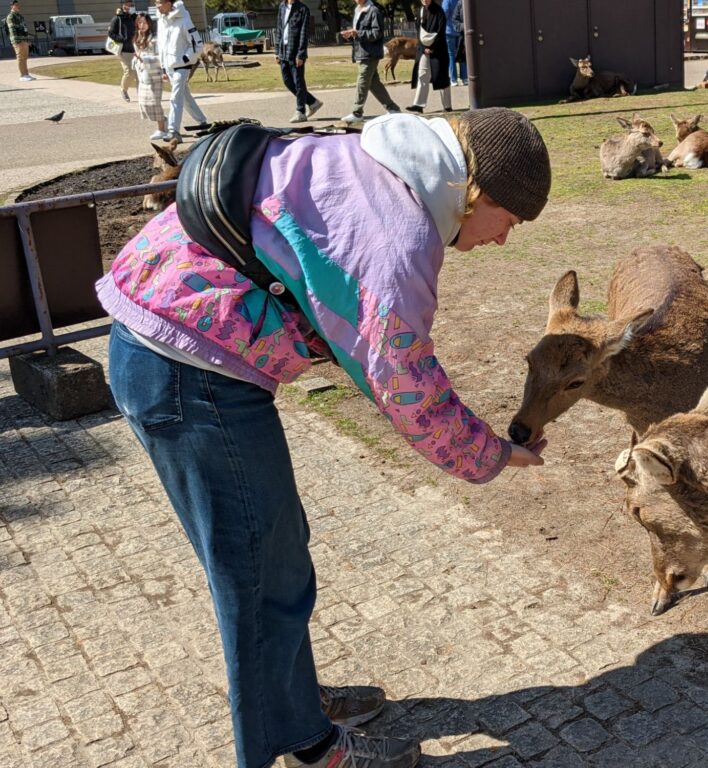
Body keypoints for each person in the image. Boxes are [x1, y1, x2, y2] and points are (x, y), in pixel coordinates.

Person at [96, 106, 551, 768]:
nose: (503, 239)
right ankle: (307, 748)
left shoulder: (370, 161)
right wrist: (495, 453)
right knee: (260, 579)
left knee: (274, 559)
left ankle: (292, 704)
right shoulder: (397, 239)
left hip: (166, 345)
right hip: (191, 374)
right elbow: (409, 390)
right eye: (507, 220)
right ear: (472, 192)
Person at [339, 0, 400, 123]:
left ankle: (357, 112)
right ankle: (393, 109)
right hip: (361, 52)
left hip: (370, 54)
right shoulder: (358, 10)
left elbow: (377, 33)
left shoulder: (373, 11)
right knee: (373, 83)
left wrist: (358, 33)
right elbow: (360, 33)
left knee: (362, 81)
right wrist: (352, 34)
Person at [155, 0, 206, 142]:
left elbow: (197, 45)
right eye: (155, 2)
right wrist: (163, 67)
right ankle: (202, 122)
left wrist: (185, 59)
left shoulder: (184, 19)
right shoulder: (161, 22)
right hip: (169, 67)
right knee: (184, 96)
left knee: (175, 97)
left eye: (159, 2)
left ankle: (173, 131)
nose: (157, 6)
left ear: (168, 3)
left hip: (182, 66)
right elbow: (161, 46)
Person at [277, 0, 324, 123]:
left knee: (298, 82)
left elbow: (304, 34)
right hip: (283, 50)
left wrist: (301, 54)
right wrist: (277, 51)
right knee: (287, 81)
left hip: (295, 51)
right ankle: (313, 102)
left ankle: (300, 111)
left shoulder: (303, 9)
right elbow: (279, 29)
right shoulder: (282, 7)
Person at [406, 0, 451, 114]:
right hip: (423, 50)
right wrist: (423, 48)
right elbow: (418, 32)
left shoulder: (439, 12)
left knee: (441, 76)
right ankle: (418, 104)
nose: (425, 0)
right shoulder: (419, 11)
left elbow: (441, 32)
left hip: (438, 49)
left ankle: (447, 106)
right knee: (422, 75)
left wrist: (432, 47)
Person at [132, 12, 167, 140]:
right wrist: (137, 60)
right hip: (142, 74)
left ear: (149, 24)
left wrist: (145, 59)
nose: (142, 25)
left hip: (154, 74)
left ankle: (161, 128)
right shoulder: (137, 38)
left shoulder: (154, 39)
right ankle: (165, 122)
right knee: (143, 102)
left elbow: (160, 57)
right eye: (139, 23)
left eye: (144, 23)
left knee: (154, 102)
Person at [108, 0, 137, 102]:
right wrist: (122, 39)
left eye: (130, 4)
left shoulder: (134, 17)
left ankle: (142, 94)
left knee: (139, 73)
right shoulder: (117, 18)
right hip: (124, 50)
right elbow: (111, 33)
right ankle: (123, 90)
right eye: (126, 4)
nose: (128, 6)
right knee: (129, 71)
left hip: (136, 49)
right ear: (122, 5)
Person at [6, 0, 33, 82]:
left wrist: (27, 40)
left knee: (25, 57)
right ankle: (22, 75)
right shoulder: (11, 16)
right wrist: (17, 41)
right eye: (16, 5)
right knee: (20, 57)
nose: (18, 6)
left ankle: (26, 74)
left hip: (24, 40)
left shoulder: (20, 16)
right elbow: (12, 30)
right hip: (17, 40)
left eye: (18, 5)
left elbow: (25, 29)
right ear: (12, 6)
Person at [442, 0, 467, 86]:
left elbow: (444, 14)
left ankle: (453, 79)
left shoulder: (447, 1)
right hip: (460, 31)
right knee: (462, 54)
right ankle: (464, 78)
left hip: (449, 30)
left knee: (451, 55)